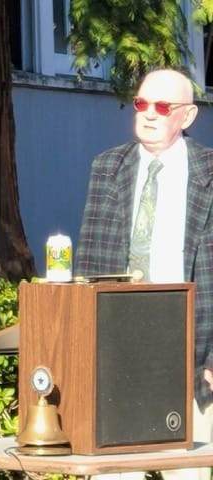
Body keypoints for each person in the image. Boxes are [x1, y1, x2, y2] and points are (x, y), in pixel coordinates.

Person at [75, 68, 213, 480]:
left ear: (188, 116)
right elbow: (89, 265)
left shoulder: (209, 173)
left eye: (163, 106)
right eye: (141, 103)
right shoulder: (107, 167)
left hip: (192, 363)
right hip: (115, 359)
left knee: (187, 474)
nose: (149, 114)